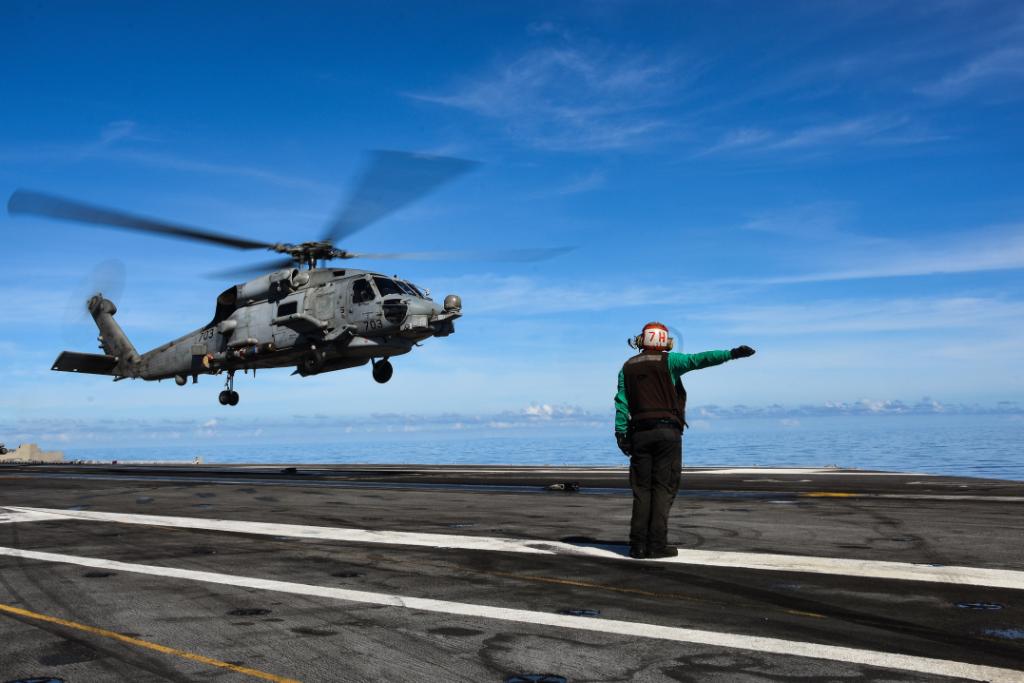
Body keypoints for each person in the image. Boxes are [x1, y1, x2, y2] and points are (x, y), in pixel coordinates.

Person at [614, 322, 755, 559]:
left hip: (639, 433)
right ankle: (656, 545)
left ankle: (637, 546)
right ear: (664, 342)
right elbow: (701, 359)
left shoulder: (626, 368)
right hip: (667, 433)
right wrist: (732, 354)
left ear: (642, 340)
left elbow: (621, 403)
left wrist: (621, 434)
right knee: (663, 487)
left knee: (642, 490)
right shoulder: (670, 361)